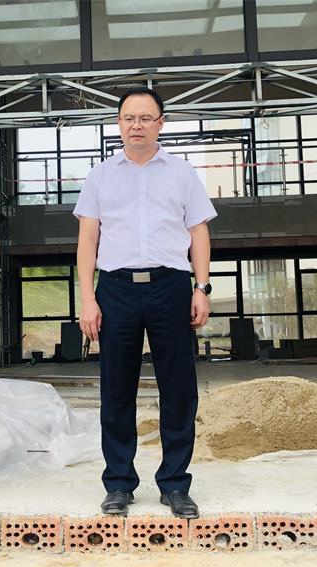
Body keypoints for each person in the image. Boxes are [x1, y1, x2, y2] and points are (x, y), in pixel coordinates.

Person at [74, 87, 217, 519]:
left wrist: (202, 287)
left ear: (161, 123)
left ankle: (175, 483)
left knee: (178, 388)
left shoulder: (182, 173)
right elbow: (87, 240)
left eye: (145, 118)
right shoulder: (100, 176)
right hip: (115, 289)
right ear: (119, 123)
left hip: (170, 286)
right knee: (117, 388)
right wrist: (88, 298)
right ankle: (119, 483)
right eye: (128, 118)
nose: (136, 125)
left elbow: (198, 232)